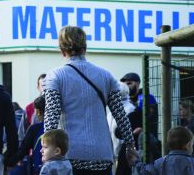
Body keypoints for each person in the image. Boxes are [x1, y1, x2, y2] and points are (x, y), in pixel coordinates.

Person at [43, 26, 134, 175]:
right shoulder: (106, 76)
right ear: (84, 48)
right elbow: (121, 116)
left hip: (69, 157)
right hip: (102, 155)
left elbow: (51, 118)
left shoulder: (55, 76)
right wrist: (130, 145)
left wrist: (46, 149)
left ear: (62, 49)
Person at [128, 126, 194, 174]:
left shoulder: (160, 162)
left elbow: (145, 171)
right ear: (188, 145)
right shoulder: (191, 162)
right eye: (192, 144)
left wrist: (136, 161)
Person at [11, 96, 45, 174]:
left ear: (38, 112)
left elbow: (23, 149)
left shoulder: (34, 128)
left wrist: (11, 161)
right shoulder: (59, 128)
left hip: (37, 168)